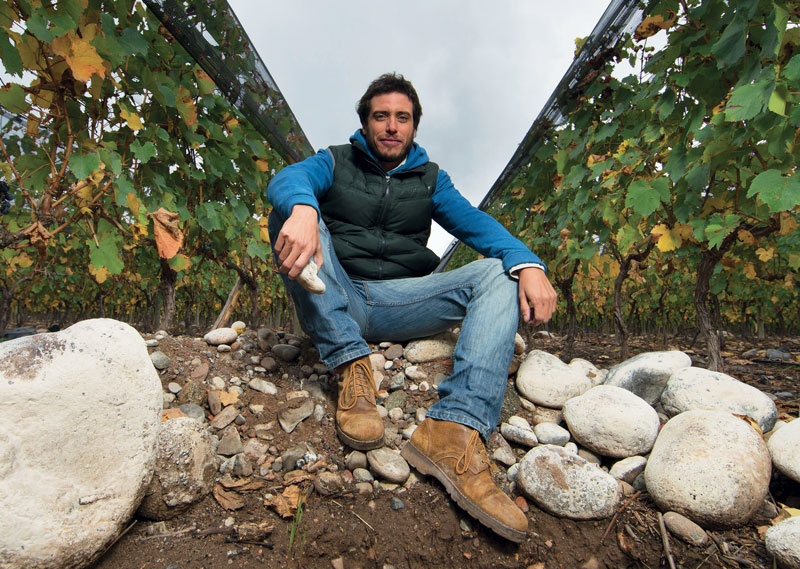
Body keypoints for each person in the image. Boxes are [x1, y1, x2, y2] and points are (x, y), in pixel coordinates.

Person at [267, 73, 557, 543]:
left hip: (404, 300)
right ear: (365, 123)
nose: (391, 126)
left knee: (497, 272)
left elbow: (475, 223)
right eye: (381, 116)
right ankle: (352, 367)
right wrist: (303, 208)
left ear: (414, 127)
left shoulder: (431, 179)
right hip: (338, 291)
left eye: (402, 118)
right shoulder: (335, 161)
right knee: (290, 210)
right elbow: (290, 178)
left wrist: (528, 263)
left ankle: (454, 432)